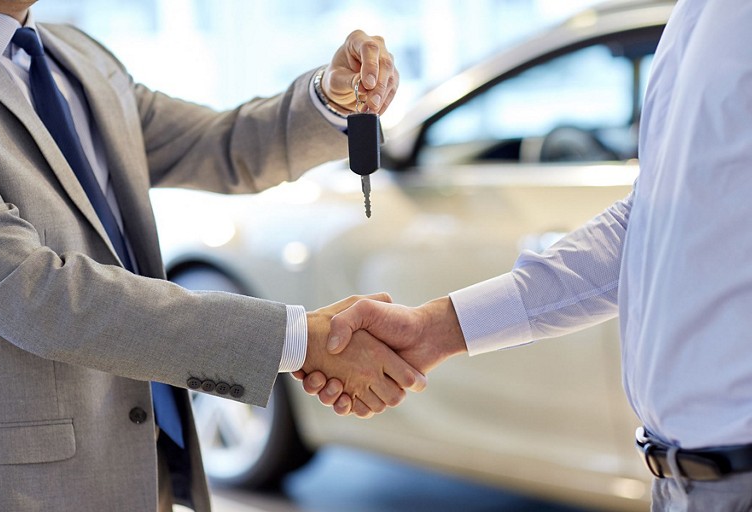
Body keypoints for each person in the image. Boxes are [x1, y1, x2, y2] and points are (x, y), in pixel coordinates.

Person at [299, 1, 752, 510]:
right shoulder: (698, 17)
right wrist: (434, 329)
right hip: (681, 480)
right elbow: (654, 221)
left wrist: (293, 340)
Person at [0, 1, 425, 511]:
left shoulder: (76, 54)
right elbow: (40, 295)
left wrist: (329, 97)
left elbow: (218, 144)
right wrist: (299, 340)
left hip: (141, 460)